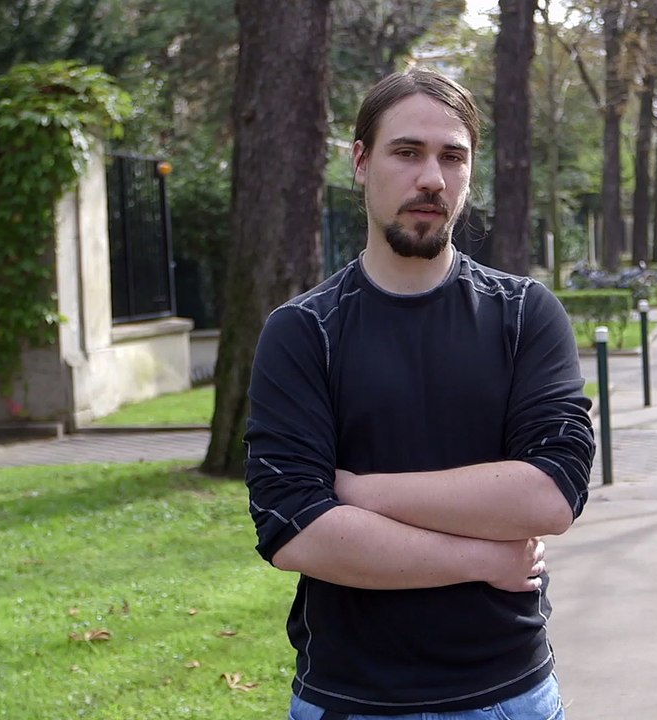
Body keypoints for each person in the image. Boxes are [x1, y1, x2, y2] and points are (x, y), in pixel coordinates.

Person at [244, 67, 595, 720]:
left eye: (451, 157)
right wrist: (484, 557)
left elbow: (551, 492)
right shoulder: (302, 333)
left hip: (510, 698)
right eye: (407, 152)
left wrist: (356, 491)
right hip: (352, 701)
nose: (431, 178)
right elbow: (293, 531)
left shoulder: (525, 316)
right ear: (360, 161)